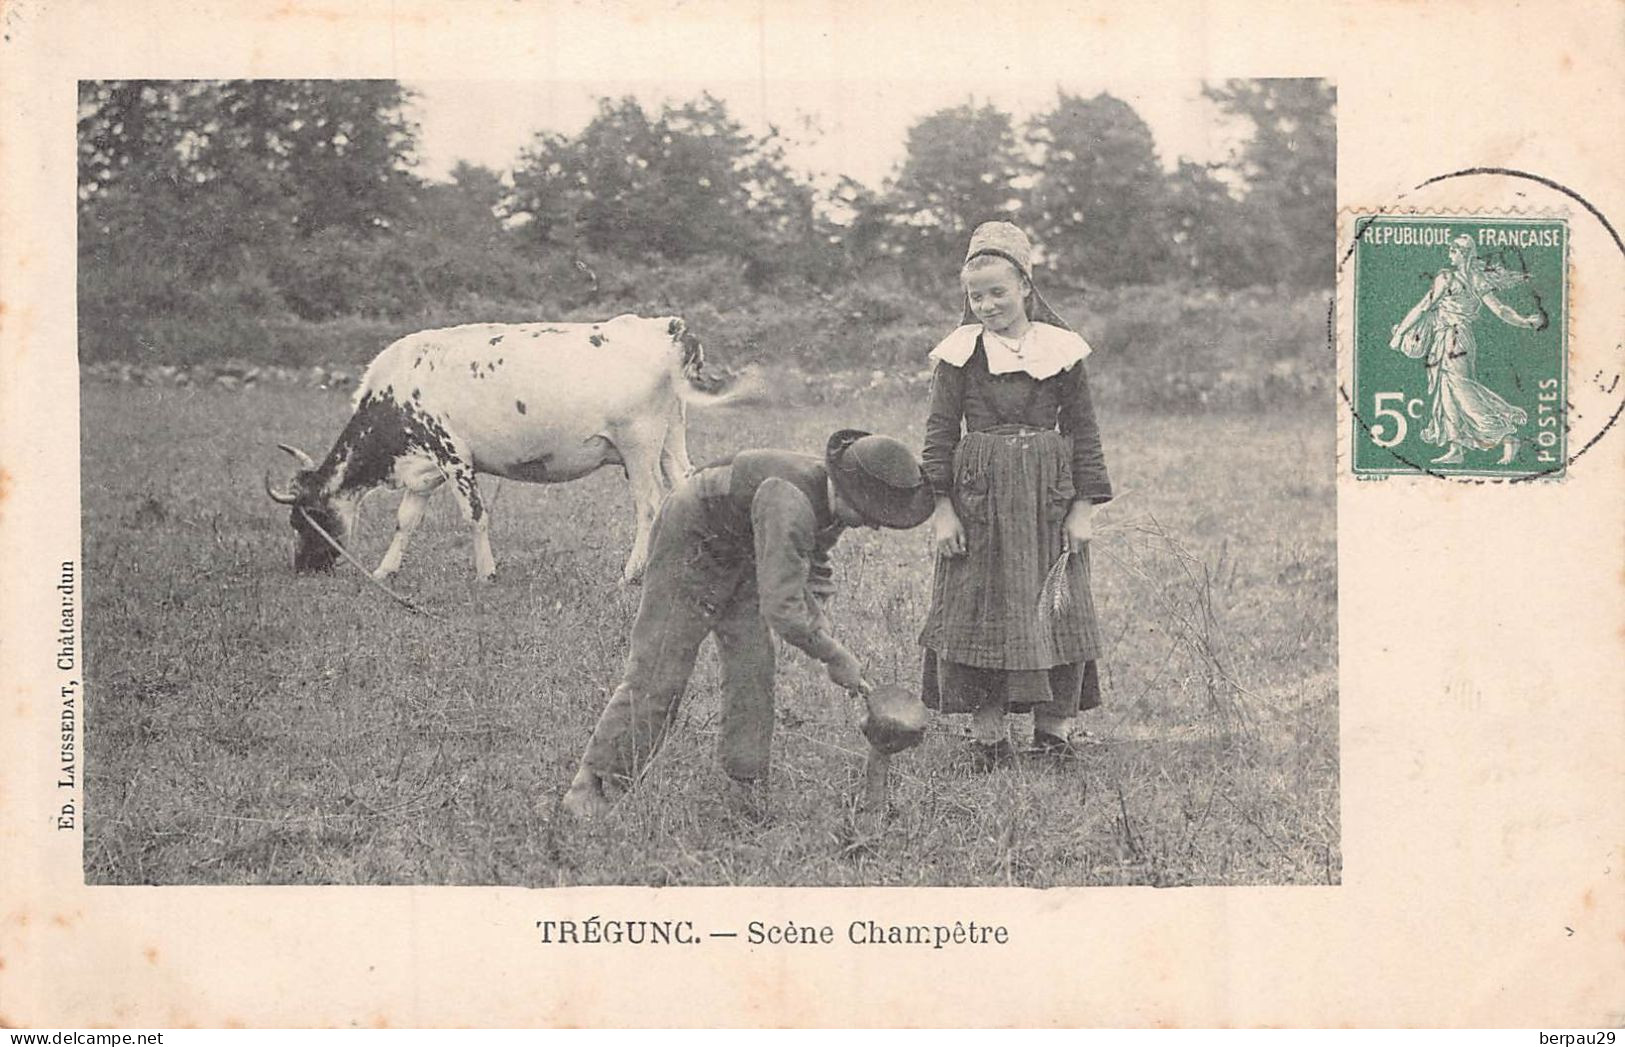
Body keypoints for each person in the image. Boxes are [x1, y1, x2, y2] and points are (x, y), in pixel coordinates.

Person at [561, 430, 934, 820]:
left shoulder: (833, 498)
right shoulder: (789, 503)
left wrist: (819, 622)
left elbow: (813, 562)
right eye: (870, 515)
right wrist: (832, 654)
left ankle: (745, 787)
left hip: (746, 547)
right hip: (693, 537)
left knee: (752, 667)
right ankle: (593, 787)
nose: (872, 526)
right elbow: (783, 608)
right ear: (847, 490)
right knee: (660, 668)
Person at [919, 221, 1112, 769]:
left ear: (1026, 287)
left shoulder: (1062, 352)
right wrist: (942, 509)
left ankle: (1054, 734)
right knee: (976, 607)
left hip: (1049, 500)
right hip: (978, 503)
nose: (986, 305)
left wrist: (1081, 508)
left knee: (1057, 606)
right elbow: (938, 434)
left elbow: (1084, 431)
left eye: (998, 292)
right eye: (975, 296)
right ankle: (989, 739)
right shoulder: (959, 355)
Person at [1388, 234, 1547, 465]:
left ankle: (1506, 434)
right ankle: (1457, 448)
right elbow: (1501, 310)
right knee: (1447, 392)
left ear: (1463, 253)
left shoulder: (1447, 278)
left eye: (1453, 249)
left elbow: (1424, 306)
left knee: (1461, 389)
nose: (1449, 253)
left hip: (1454, 340)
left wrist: (1400, 333)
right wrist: (1524, 321)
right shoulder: (1476, 279)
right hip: (1454, 339)